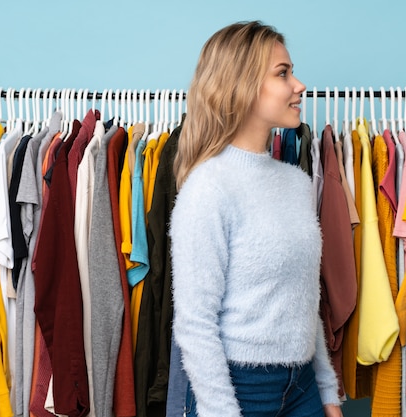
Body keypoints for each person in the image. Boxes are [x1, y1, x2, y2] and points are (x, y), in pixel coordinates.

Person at [169, 21, 344, 417]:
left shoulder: (297, 182)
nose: (299, 84)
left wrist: (327, 392)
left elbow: (302, 299)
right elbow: (195, 324)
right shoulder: (208, 189)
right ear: (242, 85)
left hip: (303, 388)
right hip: (237, 390)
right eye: (283, 73)